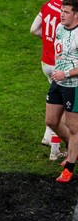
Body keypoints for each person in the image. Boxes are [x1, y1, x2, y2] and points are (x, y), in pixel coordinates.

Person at [46, 0, 78, 183]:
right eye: (61, 11)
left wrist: (66, 73)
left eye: (66, 11)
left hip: (74, 85)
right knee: (51, 121)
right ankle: (74, 148)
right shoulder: (59, 28)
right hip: (58, 82)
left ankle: (69, 168)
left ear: (76, 14)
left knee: (74, 128)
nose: (62, 14)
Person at [30, 0, 66, 160]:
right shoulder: (68, 10)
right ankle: (55, 150)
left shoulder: (48, 4)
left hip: (46, 63)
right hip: (60, 65)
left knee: (54, 100)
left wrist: (47, 39)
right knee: (62, 108)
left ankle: (47, 135)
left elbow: (34, 30)